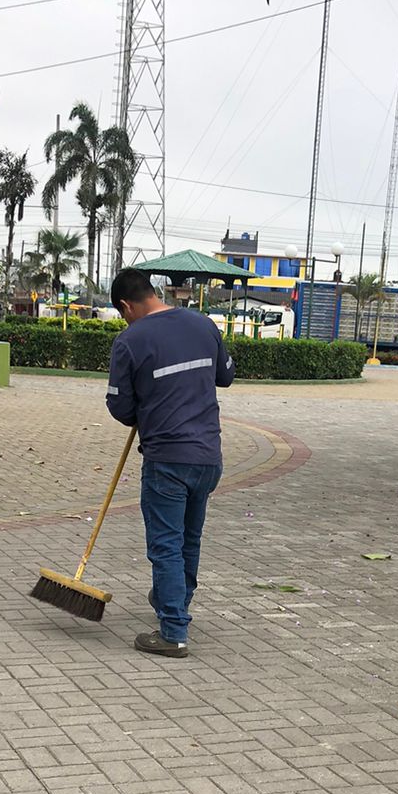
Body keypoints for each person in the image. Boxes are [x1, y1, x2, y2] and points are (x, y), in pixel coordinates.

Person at [105, 268, 234, 657]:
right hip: (208, 456)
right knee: (188, 539)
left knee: (166, 544)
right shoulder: (203, 324)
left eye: (122, 314)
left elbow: (120, 406)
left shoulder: (130, 340)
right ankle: (171, 598)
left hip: (167, 460)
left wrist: (144, 409)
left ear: (126, 305)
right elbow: (226, 376)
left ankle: (174, 631)